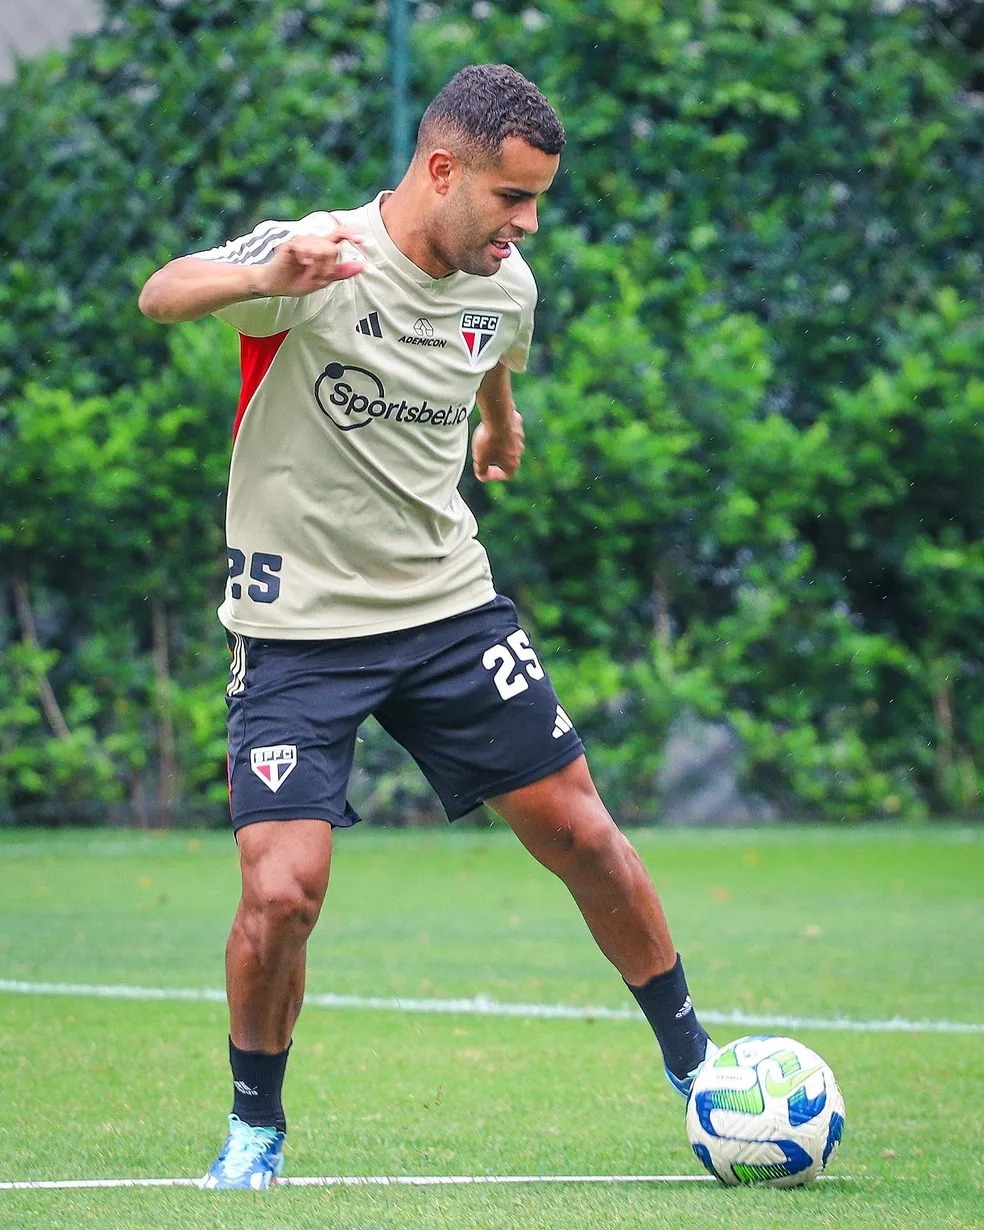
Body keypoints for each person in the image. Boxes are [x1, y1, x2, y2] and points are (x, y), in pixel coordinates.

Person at [138, 62, 716, 1191]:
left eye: (538, 200)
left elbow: (491, 354)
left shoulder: (507, 284)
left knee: (586, 836)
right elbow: (164, 292)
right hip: (296, 628)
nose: (527, 224)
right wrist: (262, 267)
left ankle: (703, 1074)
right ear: (442, 170)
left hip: (448, 608)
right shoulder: (319, 257)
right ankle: (256, 1128)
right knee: (281, 891)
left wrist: (497, 431)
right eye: (511, 197)